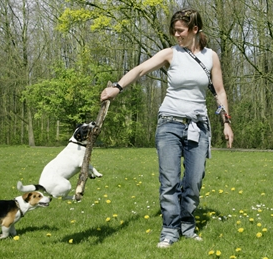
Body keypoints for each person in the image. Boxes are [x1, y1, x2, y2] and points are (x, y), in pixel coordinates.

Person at [100, 8, 234, 248]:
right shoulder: (170, 53)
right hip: (169, 123)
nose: (176, 35)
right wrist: (117, 88)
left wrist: (226, 122)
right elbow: (140, 69)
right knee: (169, 182)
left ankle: (188, 226)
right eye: (174, 30)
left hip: (199, 125)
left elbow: (220, 91)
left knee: (193, 182)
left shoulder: (210, 57)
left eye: (180, 31)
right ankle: (170, 230)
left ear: (194, 30)